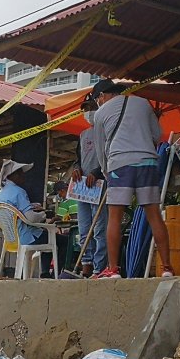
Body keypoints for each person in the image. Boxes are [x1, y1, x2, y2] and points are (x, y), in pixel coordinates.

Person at [89, 79, 173, 279]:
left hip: (119, 164)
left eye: (97, 100)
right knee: (154, 215)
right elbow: (157, 135)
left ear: (102, 96)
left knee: (115, 218)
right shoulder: (143, 103)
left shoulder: (100, 113)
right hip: (147, 162)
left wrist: (106, 171)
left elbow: (100, 149)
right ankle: (167, 268)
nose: (98, 104)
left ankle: (113, 269)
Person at [0, 159, 56, 277]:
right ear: (13, 175)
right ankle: (50, 275)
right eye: (21, 173)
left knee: (47, 237)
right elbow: (31, 218)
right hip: (27, 237)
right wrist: (44, 214)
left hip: (11, 239)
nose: (23, 176)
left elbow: (14, 210)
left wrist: (31, 206)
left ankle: (44, 274)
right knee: (61, 241)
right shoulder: (19, 192)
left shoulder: (1, 193)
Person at [71, 96, 109, 277]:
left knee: (100, 227)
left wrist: (97, 172)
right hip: (82, 187)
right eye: (85, 110)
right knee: (84, 227)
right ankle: (86, 263)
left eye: (90, 108)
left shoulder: (106, 132)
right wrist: (76, 169)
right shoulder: (82, 135)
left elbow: (108, 157)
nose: (88, 113)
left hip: (99, 184)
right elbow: (77, 159)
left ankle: (99, 266)